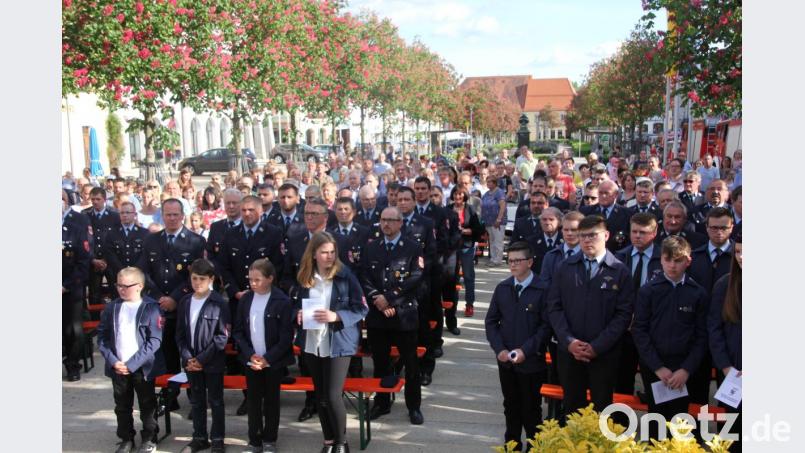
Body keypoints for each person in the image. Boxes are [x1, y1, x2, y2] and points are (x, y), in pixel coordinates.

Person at [546, 215, 633, 419]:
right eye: (582, 236)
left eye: (592, 235)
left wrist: (597, 347)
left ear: (606, 235)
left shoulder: (620, 271)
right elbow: (554, 307)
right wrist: (569, 341)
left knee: (602, 411)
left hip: (604, 355)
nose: (587, 240)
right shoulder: (565, 268)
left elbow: (623, 315)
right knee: (572, 410)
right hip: (570, 353)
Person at [292, 232, 368, 453]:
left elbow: (361, 308)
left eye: (332, 252)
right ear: (313, 254)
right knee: (321, 395)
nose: (329, 256)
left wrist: (337, 316)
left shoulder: (345, 276)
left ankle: (342, 442)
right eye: (324, 252)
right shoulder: (306, 276)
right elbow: (295, 304)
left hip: (338, 342)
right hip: (312, 341)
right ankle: (328, 440)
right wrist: (297, 313)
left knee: (334, 395)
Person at [631, 236, 708, 440]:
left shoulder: (697, 294)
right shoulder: (648, 291)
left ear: (688, 261)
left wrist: (686, 369)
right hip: (655, 368)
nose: (673, 265)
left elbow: (701, 335)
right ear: (661, 260)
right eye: (668, 259)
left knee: (681, 423)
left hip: (684, 369)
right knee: (656, 422)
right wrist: (657, 367)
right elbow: (639, 330)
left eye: (678, 260)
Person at [360, 206, 425, 425]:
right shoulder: (371, 248)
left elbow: (415, 277)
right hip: (378, 315)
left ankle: (413, 406)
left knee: (410, 363)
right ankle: (381, 402)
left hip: (403, 314)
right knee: (380, 362)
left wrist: (390, 298)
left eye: (391, 220)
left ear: (400, 223)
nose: (386, 224)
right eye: (383, 220)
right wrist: (377, 298)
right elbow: (365, 276)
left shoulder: (413, 247)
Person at [484, 241, 552, 452]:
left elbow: (546, 326)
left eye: (517, 261)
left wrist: (527, 350)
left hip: (532, 362)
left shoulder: (543, 289)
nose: (512, 265)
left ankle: (534, 446)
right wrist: (499, 349)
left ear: (530, 262)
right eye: (509, 260)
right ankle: (512, 444)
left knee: (531, 408)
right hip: (507, 362)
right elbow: (491, 322)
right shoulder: (503, 288)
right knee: (510, 406)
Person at [96, 267, 164, 453]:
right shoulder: (112, 307)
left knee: (147, 404)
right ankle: (126, 438)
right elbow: (102, 337)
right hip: (118, 366)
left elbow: (154, 341)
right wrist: (113, 361)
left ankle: (149, 437)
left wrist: (133, 364)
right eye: (118, 285)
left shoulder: (151, 308)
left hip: (142, 367)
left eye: (126, 286)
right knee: (122, 405)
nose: (121, 289)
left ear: (140, 286)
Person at [137, 199, 206, 380]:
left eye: (176, 214)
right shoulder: (151, 240)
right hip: (158, 305)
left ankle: (194, 395)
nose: (172, 218)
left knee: (188, 351)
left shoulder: (196, 241)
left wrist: (174, 298)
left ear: (183, 216)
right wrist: (160, 297)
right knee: (166, 353)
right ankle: (170, 396)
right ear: (163, 216)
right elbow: (144, 272)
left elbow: (196, 274)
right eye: (168, 214)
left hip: (184, 304)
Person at [232, 259, 294, 453]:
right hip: (252, 361)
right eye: (250, 279)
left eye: (257, 279)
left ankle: (269, 439)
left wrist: (267, 358)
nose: (252, 283)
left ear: (270, 279)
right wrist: (250, 355)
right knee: (253, 400)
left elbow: (286, 337)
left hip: (272, 362)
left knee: (271, 401)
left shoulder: (281, 301)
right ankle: (254, 440)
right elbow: (239, 331)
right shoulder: (245, 299)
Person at [175, 259, 230, 453]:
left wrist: (201, 359)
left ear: (211, 279)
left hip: (212, 361)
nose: (197, 283)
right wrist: (188, 357)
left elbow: (222, 336)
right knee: (196, 401)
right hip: (191, 362)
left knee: (215, 401)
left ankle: (217, 439)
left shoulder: (219, 303)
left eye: (202, 279)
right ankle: (199, 437)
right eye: (194, 278)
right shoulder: (185, 302)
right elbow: (180, 334)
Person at [708, 233, 742, 452]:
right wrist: (726, 366)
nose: (741, 257)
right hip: (732, 372)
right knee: (732, 434)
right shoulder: (725, 285)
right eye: (738, 252)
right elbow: (714, 328)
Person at [63, 189, 92, 381]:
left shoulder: (77, 220)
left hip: (70, 286)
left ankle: (73, 363)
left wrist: (66, 285)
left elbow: (84, 258)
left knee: (73, 329)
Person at [449, 186, 483, 319]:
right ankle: (452, 305)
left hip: (467, 246)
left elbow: (478, 229)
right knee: (452, 277)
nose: (458, 197)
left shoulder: (470, 209)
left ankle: (469, 304)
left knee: (468, 276)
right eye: (456, 194)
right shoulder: (448, 209)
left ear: (465, 195)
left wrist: (464, 231)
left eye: (460, 194)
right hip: (451, 248)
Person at [580, 180, 630, 251]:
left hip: (618, 255)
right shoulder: (585, 211)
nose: (603, 196)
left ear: (616, 194)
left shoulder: (627, 213)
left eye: (607, 193)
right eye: (600, 193)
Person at [526, 207, 563, 274]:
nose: (547, 222)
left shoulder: (565, 241)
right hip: (538, 281)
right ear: (540, 222)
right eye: (544, 219)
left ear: (560, 222)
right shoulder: (531, 241)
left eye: (551, 219)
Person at [481, 175, 507, 266]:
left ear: (495, 182)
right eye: (487, 181)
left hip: (498, 222)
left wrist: (499, 219)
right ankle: (493, 259)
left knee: (498, 241)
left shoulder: (499, 192)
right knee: (492, 241)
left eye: (490, 181)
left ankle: (498, 260)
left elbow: (502, 206)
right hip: (488, 222)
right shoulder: (487, 193)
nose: (488, 183)